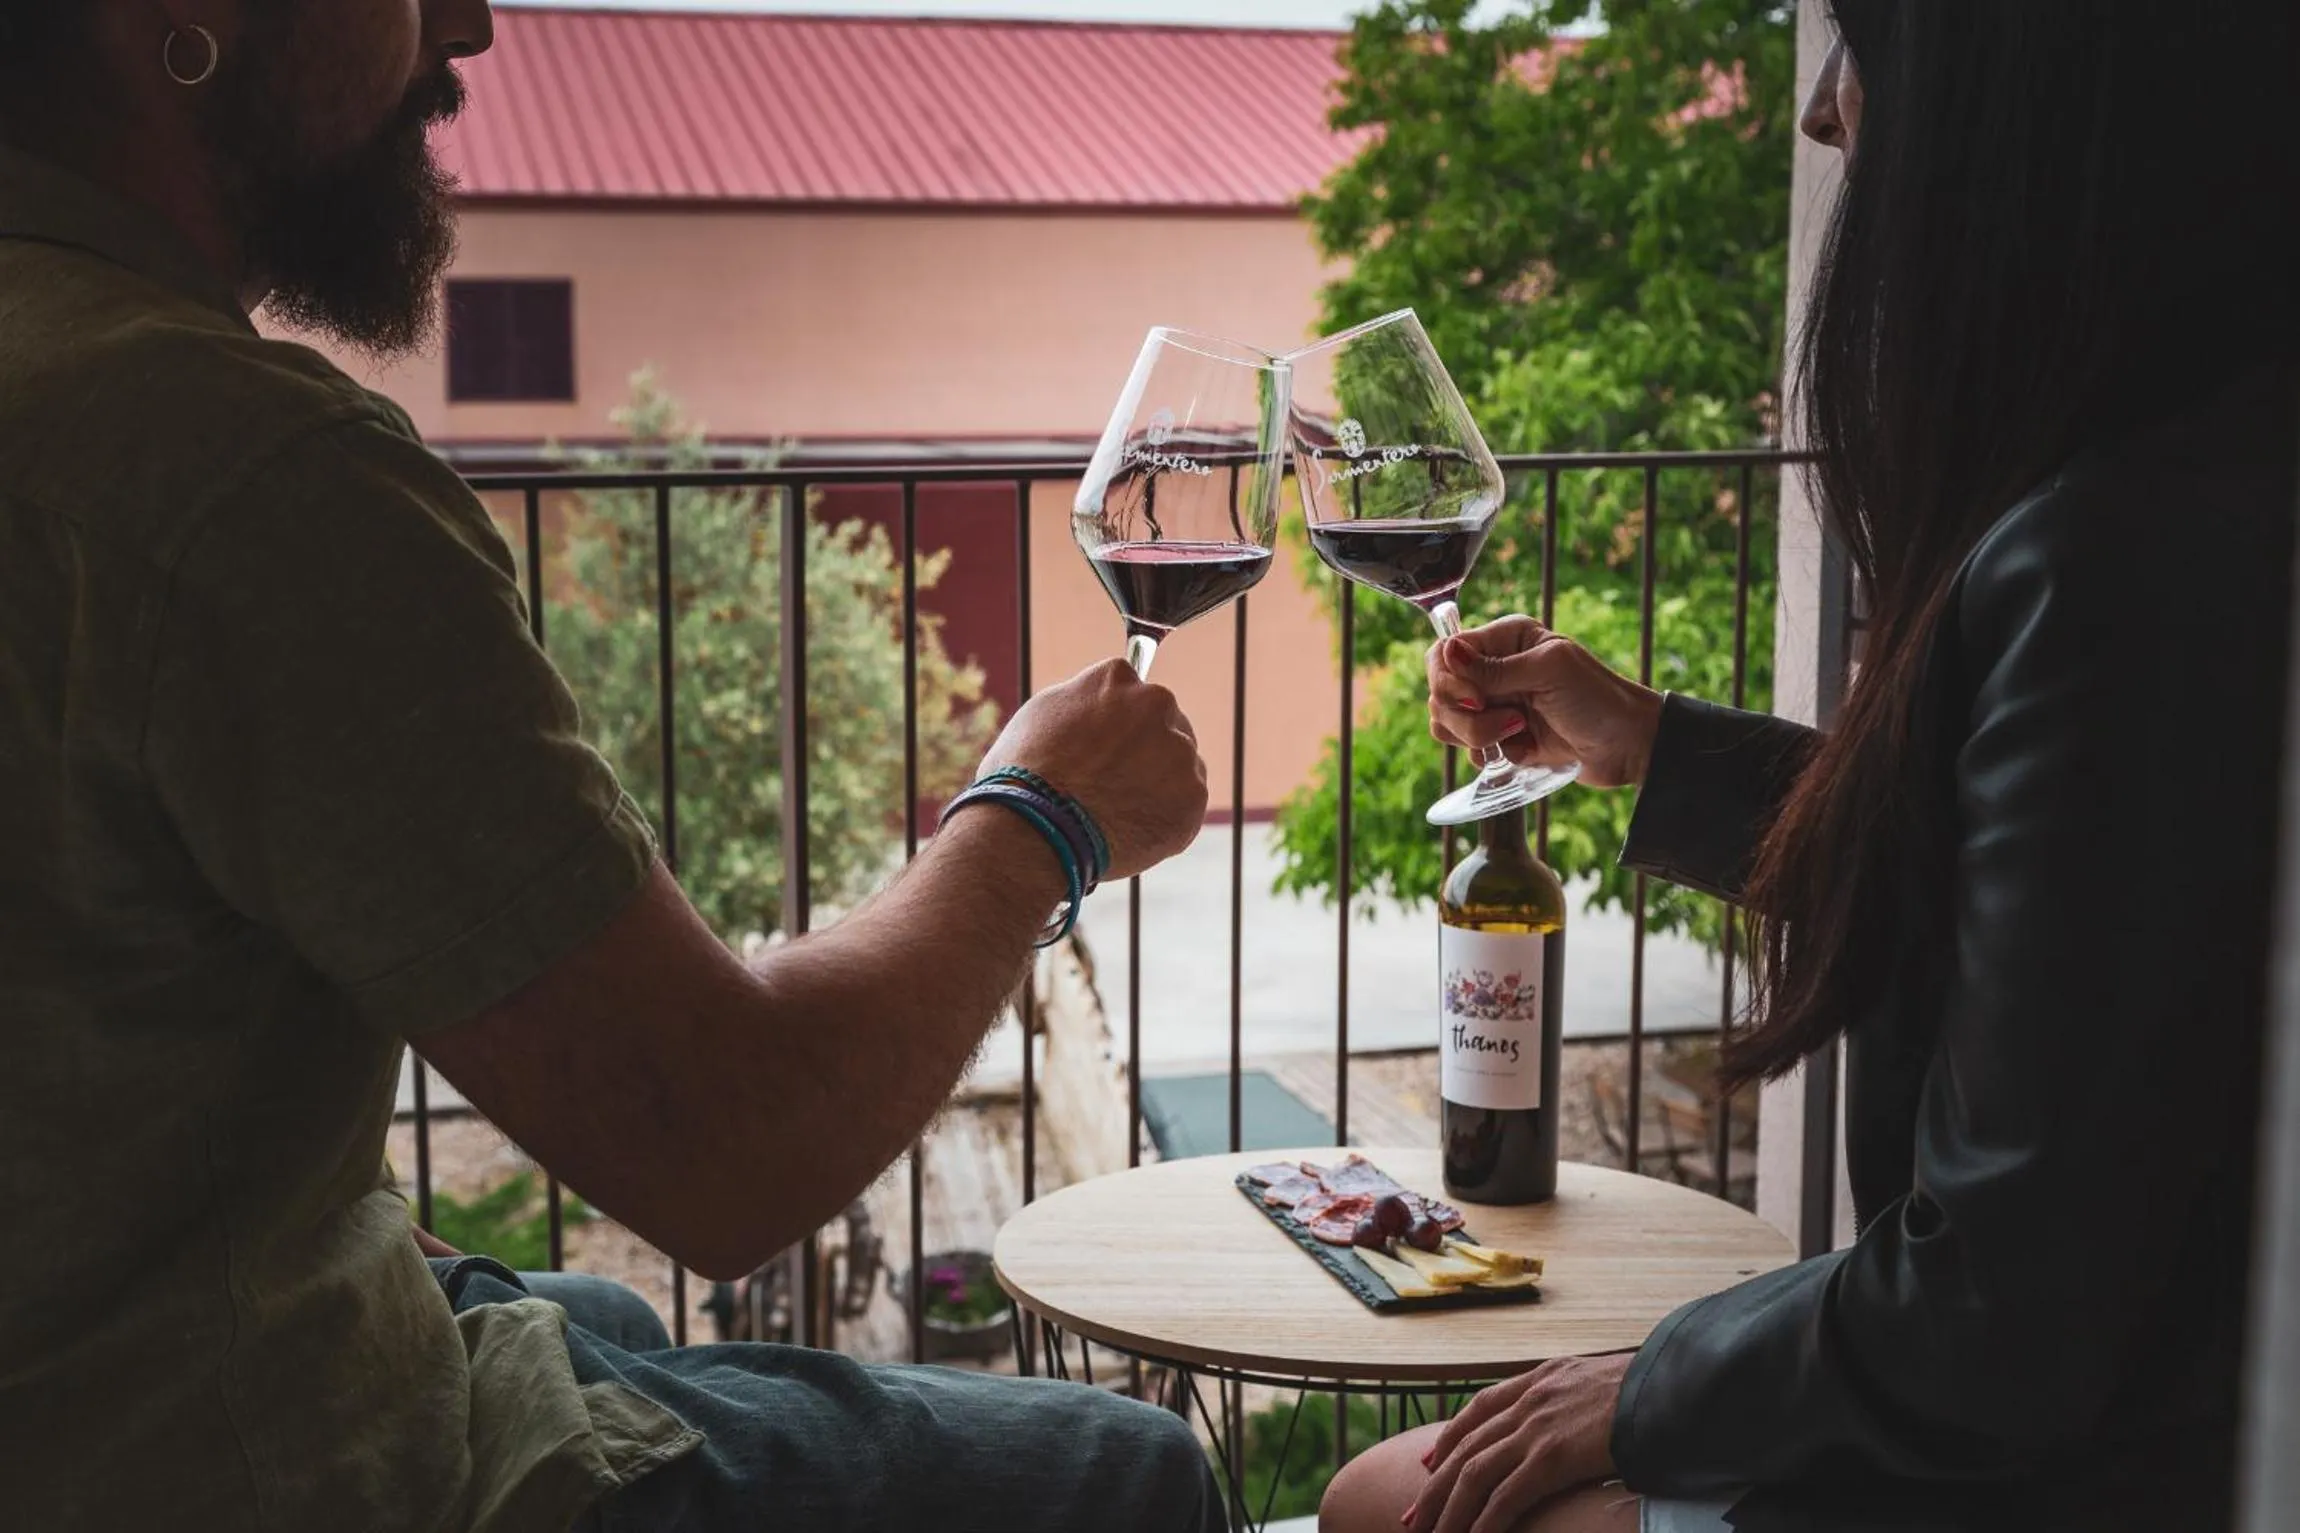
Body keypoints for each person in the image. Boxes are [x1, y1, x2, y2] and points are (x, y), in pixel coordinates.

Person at [0, 3, 1221, 1530]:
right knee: (1127, 1470)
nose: (466, 28)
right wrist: (1040, 817)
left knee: (609, 1316)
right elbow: (728, 1143)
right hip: (241, 1469)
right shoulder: (230, 467)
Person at [1322, 3, 2300, 1532]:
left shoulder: (2111, 561)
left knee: (1386, 1497)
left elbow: (2004, 1303)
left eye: (1861, 37)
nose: (1821, 108)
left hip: (2076, 1476)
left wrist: (1645, 1387)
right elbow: (2022, 894)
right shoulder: (2188, 472)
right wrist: (1653, 747)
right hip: (2112, 1418)